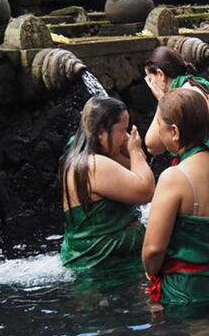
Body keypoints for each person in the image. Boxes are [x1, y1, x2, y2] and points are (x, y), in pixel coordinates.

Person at [142, 89, 209, 307]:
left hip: (189, 292)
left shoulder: (174, 177)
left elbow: (153, 250)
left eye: (160, 127)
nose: (159, 135)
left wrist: (150, 274)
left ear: (174, 131)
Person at [59, 96, 154, 281]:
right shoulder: (93, 165)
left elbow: (136, 167)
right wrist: (134, 150)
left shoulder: (82, 149)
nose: (126, 137)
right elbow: (146, 190)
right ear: (102, 130)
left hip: (106, 259)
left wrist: (128, 146)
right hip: (100, 268)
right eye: (122, 130)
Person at [143, 46, 209, 178]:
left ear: (161, 75)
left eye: (150, 79)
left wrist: (162, 101)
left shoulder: (183, 96)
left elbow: (153, 146)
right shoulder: (206, 87)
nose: (150, 85)